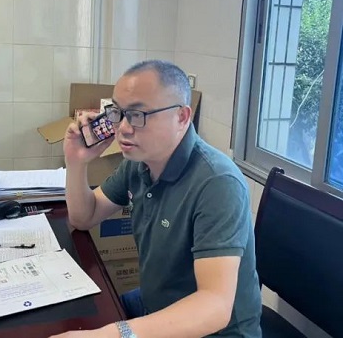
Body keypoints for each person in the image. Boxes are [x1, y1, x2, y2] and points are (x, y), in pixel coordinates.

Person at [51, 60, 261, 338]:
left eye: (138, 114)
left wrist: (112, 334)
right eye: (118, 112)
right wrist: (76, 162)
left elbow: (214, 306)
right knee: (74, 318)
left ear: (182, 117)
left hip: (214, 331)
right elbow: (84, 217)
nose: (123, 128)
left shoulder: (218, 183)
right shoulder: (139, 161)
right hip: (157, 306)